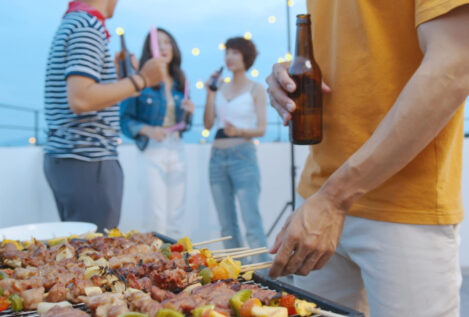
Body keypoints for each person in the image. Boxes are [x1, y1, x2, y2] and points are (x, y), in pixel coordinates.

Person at [266, 1, 469, 316]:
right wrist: (289, 76)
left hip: (401, 206)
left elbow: (456, 62)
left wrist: (335, 198)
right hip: (317, 197)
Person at [43, 0, 163, 232]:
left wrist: (116, 81)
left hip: (73, 158)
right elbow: (81, 99)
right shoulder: (88, 26)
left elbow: (82, 94)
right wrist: (142, 79)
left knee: (79, 250)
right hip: (87, 158)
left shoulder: (74, 21)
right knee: (94, 252)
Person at [120, 28, 195, 238]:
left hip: (177, 147)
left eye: (168, 42)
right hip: (152, 149)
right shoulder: (141, 79)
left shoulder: (181, 80)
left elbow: (185, 125)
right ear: (149, 48)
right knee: (156, 216)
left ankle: (176, 266)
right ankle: (156, 264)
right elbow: (125, 120)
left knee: (176, 216)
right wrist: (148, 130)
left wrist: (189, 113)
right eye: (158, 42)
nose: (163, 47)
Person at [204, 37, 269, 263]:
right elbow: (207, 124)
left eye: (235, 52)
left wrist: (239, 131)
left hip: (243, 156)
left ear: (246, 57)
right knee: (226, 224)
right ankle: (235, 276)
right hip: (216, 157)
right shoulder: (219, 88)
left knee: (251, 221)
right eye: (227, 52)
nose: (229, 57)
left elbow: (261, 129)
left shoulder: (256, 88)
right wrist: (210, 94)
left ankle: (264, 276)